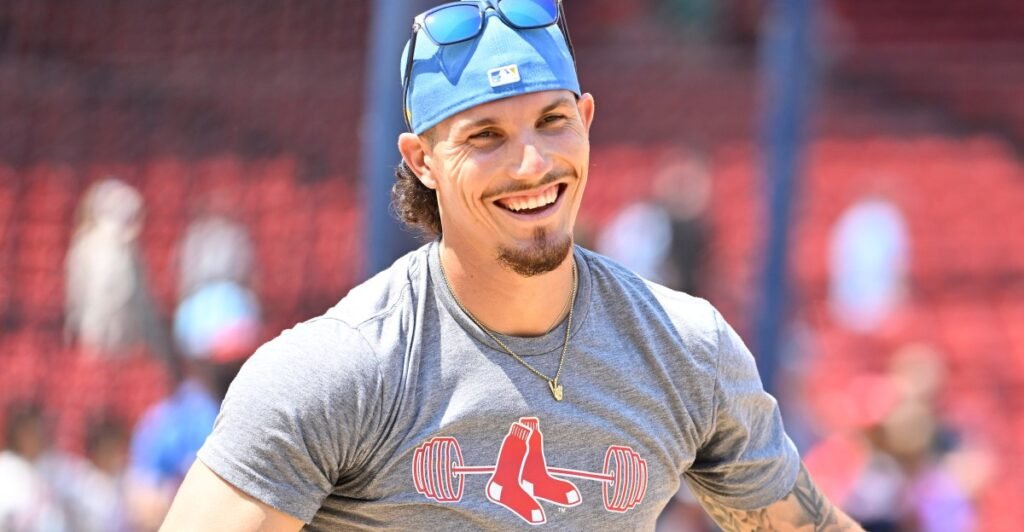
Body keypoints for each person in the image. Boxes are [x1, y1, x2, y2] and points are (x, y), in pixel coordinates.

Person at [163, 0, 862, 529]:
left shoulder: (686, 351)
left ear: (587, 120)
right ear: (421, 161)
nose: (531, 164)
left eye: (553, 121)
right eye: (486, 135)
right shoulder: (339, 370)